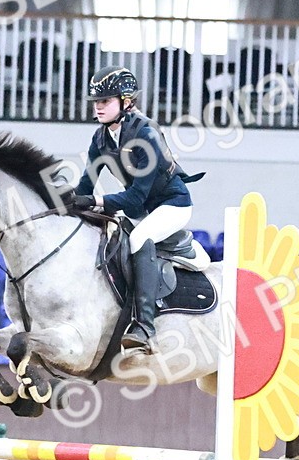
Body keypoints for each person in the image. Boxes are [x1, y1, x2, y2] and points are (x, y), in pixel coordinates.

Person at [73, 65, 206, 355]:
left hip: (172, 204)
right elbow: (85, 186)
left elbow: (133, 200)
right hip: (144, 207)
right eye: (96, 102)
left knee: (137, 239)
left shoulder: (146, 134)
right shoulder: (101, 139)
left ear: (126, 101)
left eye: (105, 101)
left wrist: (98, 202)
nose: (98, 107)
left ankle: (145, 326)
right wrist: (65, 202)